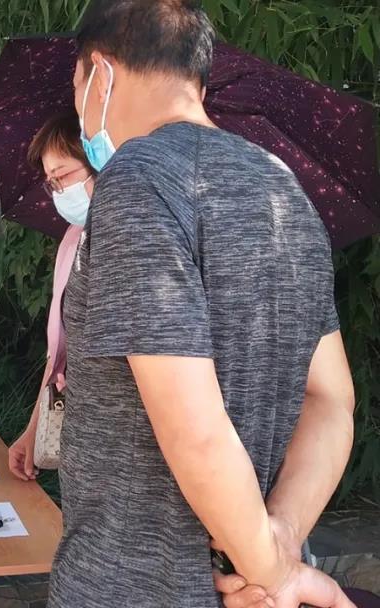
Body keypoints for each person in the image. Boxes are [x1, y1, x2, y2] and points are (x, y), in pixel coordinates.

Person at [50, 2, 357, 607]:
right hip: (245, 587)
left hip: (137, 587)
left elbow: (197, 432)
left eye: (77, 85)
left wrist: (272, 571)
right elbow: (331, 399)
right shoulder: (283, 186)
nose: (80, 108)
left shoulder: (136, 182)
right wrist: (279, 539)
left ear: (100, 74)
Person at [8, 110, 93, 481]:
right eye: (51, 183)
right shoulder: (73, 239)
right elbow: (58, 353)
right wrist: (34, 430)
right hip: (77, 428)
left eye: (63, 175)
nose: (59, 191)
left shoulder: (136, 242)